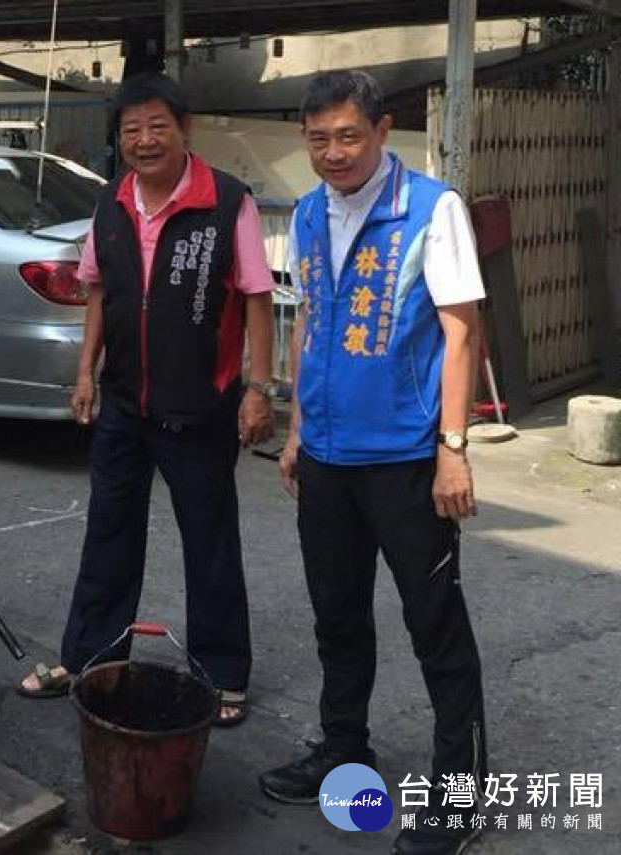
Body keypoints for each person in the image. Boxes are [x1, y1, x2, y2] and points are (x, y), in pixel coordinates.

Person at [258, 70, 488, 855]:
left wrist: (452, 451)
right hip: (324, 455)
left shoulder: (432, 208)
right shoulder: (310, 212)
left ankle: (460, 793)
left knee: (435, 625)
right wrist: (293, 432)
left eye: (348, 136)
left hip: (404, 460)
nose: (333, 153)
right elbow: (310, 320)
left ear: (382, 130)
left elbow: (462, 333)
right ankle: (344, 745)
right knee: (337, 615)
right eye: (318, 139)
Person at [16, 72, 277, 728]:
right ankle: (91, 658)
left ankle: (221, 673)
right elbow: (98, 291)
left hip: (201, 404)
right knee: (109, 532)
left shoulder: (226, 201)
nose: (144, 139)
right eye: (131, 129)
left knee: (209, 543)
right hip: (125, 402)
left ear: (184, 128)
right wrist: (85, 373)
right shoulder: (112, 204)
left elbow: (254, 295)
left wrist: (258, 387)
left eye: (157, 125)